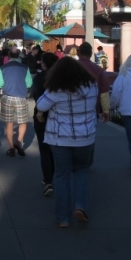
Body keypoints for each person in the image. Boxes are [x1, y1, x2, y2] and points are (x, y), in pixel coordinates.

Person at [35, 57, 98, 228]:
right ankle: (80, 206)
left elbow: (40, 106)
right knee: (81, 171)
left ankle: (63, 217)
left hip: (60, 137)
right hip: (85, 137)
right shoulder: (92, 86)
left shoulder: (56, 89)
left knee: (62, 175)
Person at [0, 47, 33, 157]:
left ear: (9, 55)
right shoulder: (25, 68)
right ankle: (19, 142)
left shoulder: (2, 68)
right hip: (21, 96)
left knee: (9, 123)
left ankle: (11, 148)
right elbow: (29, 84)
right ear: (19, 55)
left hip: (7, 96)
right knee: (23, 121)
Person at [31, 52, 58, 197]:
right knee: (56, 147)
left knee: (44, 148)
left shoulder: (40, 77)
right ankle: (55, 174)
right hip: (57, 116)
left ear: (44, 64)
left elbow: (35, 94)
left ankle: (48, 180)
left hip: (41, 114)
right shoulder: (61, 77)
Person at [76, 42, 110, 122]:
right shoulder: (98, 69)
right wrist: (106, 110)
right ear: (91, 54)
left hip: (72, 109)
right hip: (92, 109)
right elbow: (104, 92)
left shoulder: (70, 67)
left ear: (78, 52)